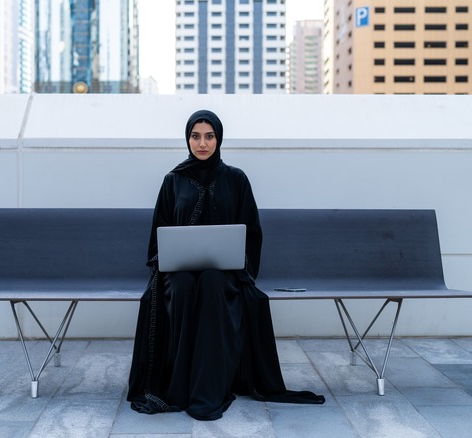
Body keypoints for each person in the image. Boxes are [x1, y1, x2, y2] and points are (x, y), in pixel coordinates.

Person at [127, 109, 325, 421]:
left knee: (211, 283)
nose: (202, 143)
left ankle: (209, 388)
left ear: (219, 139)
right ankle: (178, 388)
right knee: (181, 286)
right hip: (177, 272)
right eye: (196, 136)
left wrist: (240, 265)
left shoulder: (235, 178)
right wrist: (166, 259)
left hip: (225, 274)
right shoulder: (173, 181)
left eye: (209, 136)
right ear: (188, 139)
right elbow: (158, 235)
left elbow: (252, 232)